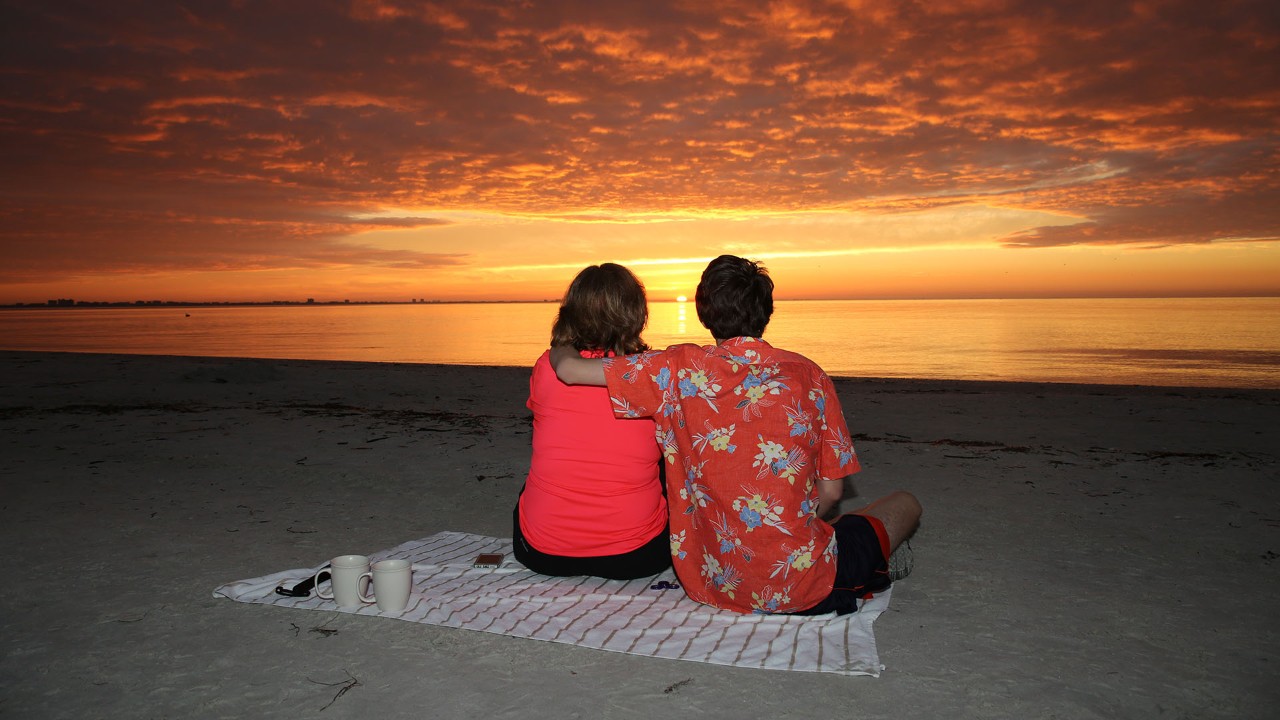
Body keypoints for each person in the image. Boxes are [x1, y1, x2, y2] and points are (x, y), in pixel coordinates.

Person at [550, 255, 921, 614]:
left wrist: (561, 341)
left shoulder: (676, 370)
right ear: (766, 311)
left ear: (703, 313)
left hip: (712, 583)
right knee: (904, 504)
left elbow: (569, 370)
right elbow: (832, 492)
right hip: (803, 586)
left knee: (848, 524)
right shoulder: (808, 376)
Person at [513, 263, 671, 580]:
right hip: (636, 558)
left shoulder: (547, 367)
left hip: (545, 554)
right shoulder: (652, 376)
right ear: (636, 313)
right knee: (665, 455)